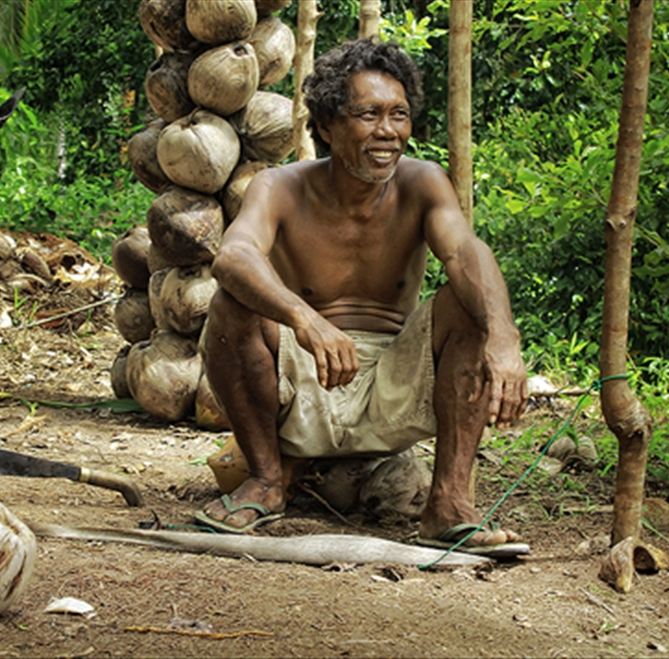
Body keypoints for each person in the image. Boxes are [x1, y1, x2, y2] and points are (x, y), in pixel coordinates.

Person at [196, 38, 529, 554]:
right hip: (302, 376)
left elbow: (465, 253)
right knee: (232, 302)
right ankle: (265, 480)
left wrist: (504, 337)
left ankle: (448, 503)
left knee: (471, 302)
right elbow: (232, 258)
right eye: (368, 114)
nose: (388, 132)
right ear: (327, 126)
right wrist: (306, 319)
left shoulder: (424, 183)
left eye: (399, 115)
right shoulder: (278, 187)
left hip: (394, 385)